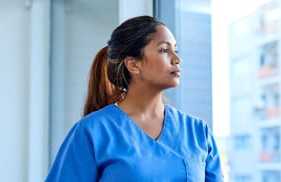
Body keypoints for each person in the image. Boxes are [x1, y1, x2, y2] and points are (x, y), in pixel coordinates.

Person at [45, 15, 224, 182]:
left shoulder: (198, 132)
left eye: (175, 50)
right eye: (164, 50)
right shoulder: (92, 131)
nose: (177, 59)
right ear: (133, 64)